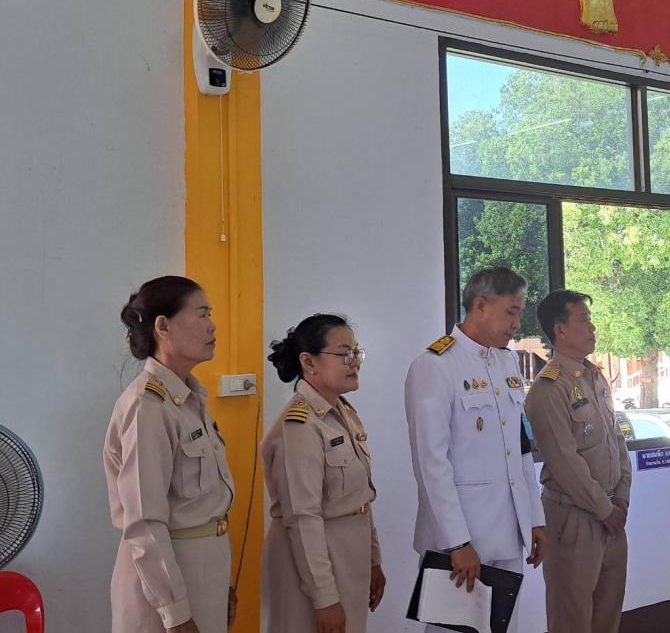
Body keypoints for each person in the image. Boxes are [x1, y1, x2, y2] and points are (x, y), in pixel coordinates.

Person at [404, 266, 546, 632]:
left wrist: (534, 519)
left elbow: (520, 448)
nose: (517, 324)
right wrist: (457, 542)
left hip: (508, 532)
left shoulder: (506, 362)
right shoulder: (435, 365)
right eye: (511, 312)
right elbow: (431, 463)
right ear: (481, 305)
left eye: (520, 312)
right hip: (462, 539)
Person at [104, 276, 236, 633]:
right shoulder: (147, 407)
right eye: (202, 314)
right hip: (163, 591)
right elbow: (145, 522)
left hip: (202, 574)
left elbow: (205, 508)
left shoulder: (189, 400)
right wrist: (175, 613)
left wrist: (222, 583)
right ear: (163, 326)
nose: (212, 326)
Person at [261, 313, 385, 633]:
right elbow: (303, 517)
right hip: (311, 567)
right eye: (343, 354)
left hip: (348, 557)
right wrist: (324, 598)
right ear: (309, 362)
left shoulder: (342, 413)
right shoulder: (299, 426)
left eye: (356, 353)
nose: (353, 362)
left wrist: (373, 560)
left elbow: (361, 497)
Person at [524, 290, 631, 633]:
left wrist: (621, 499)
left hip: (612, 516)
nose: (592, 327)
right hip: (574, 519)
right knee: (571, 619)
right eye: (584, 320)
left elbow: (617, 440)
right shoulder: (548, 389)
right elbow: (566, 463)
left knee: (607, 617)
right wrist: (605, 510)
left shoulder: (596, 377)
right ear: (561, 330)